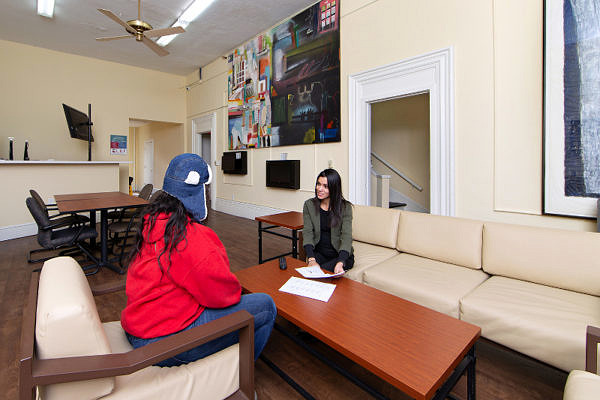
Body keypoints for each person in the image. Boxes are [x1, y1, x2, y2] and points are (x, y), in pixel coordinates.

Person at [121, 153, 276, 367]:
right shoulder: (189, 236)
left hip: (137, 327)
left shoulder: (152, 222)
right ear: (200, 192)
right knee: (266, 305)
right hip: (161, 340)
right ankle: (239, 376)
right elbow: (224, 295)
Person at [302, 168, 354, 274]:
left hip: (339, 256)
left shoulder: (345, 207)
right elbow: (307, 232)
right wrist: (311, 259)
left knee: (323, 273)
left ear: (334, 188)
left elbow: (346, 236)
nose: (319, 189)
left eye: (325, 186)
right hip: (319, 254)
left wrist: (340, 262)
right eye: (318, 184)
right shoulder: (309, 205)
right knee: (311, 273)